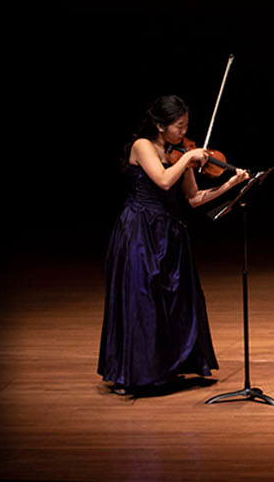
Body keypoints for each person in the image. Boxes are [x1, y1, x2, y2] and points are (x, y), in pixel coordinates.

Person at [99, 95, 251, 394]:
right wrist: (187, 159)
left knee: (172, 300)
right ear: (160, 125)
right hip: (139, 231)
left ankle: (167, 368)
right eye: (178, 126)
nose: (184, 132)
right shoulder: (143, 145)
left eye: (185, 126)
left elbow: (194, 198)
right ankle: (133, 374)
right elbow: (164, 181)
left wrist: (230, 184)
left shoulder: (179, 154)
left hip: (169, 231)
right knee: (142, 300)